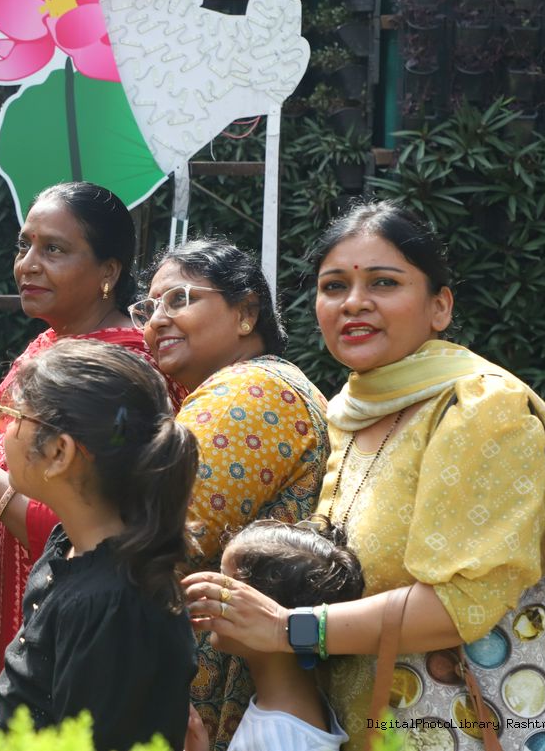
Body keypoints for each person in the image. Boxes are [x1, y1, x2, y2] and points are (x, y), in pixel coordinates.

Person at [182, 201, 545, 749]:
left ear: (440, 306)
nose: (354, 302)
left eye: (384, 282)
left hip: (456, 728)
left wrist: (289, 629)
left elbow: (461, 603)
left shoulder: (479, 408)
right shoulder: (348, 415)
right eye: (334, 286)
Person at [0, 181, 176, 749]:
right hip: (14, 616)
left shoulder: (120, 372)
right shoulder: (44, 349)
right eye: (24, 245)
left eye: (54, 249)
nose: (28, 263)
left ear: (108, 271)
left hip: (79, 626)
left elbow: (83, 528)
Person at [132, 239, 329, 749]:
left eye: (179, 299)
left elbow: (145, 535)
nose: (157, 320)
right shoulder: (248, 385)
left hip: (234, 695)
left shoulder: (250, 392)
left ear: (245, 313)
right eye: (149, 308)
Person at [0, 340, 198, 751]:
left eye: (13, 415)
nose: (4, 428)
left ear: (59, 452)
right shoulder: (67, 546)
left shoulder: (112, 606)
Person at [210, 519, 364, 751]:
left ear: (267, 610)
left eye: (226, 589)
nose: (210, 595)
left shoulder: (280, 739)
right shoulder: (287, 715)